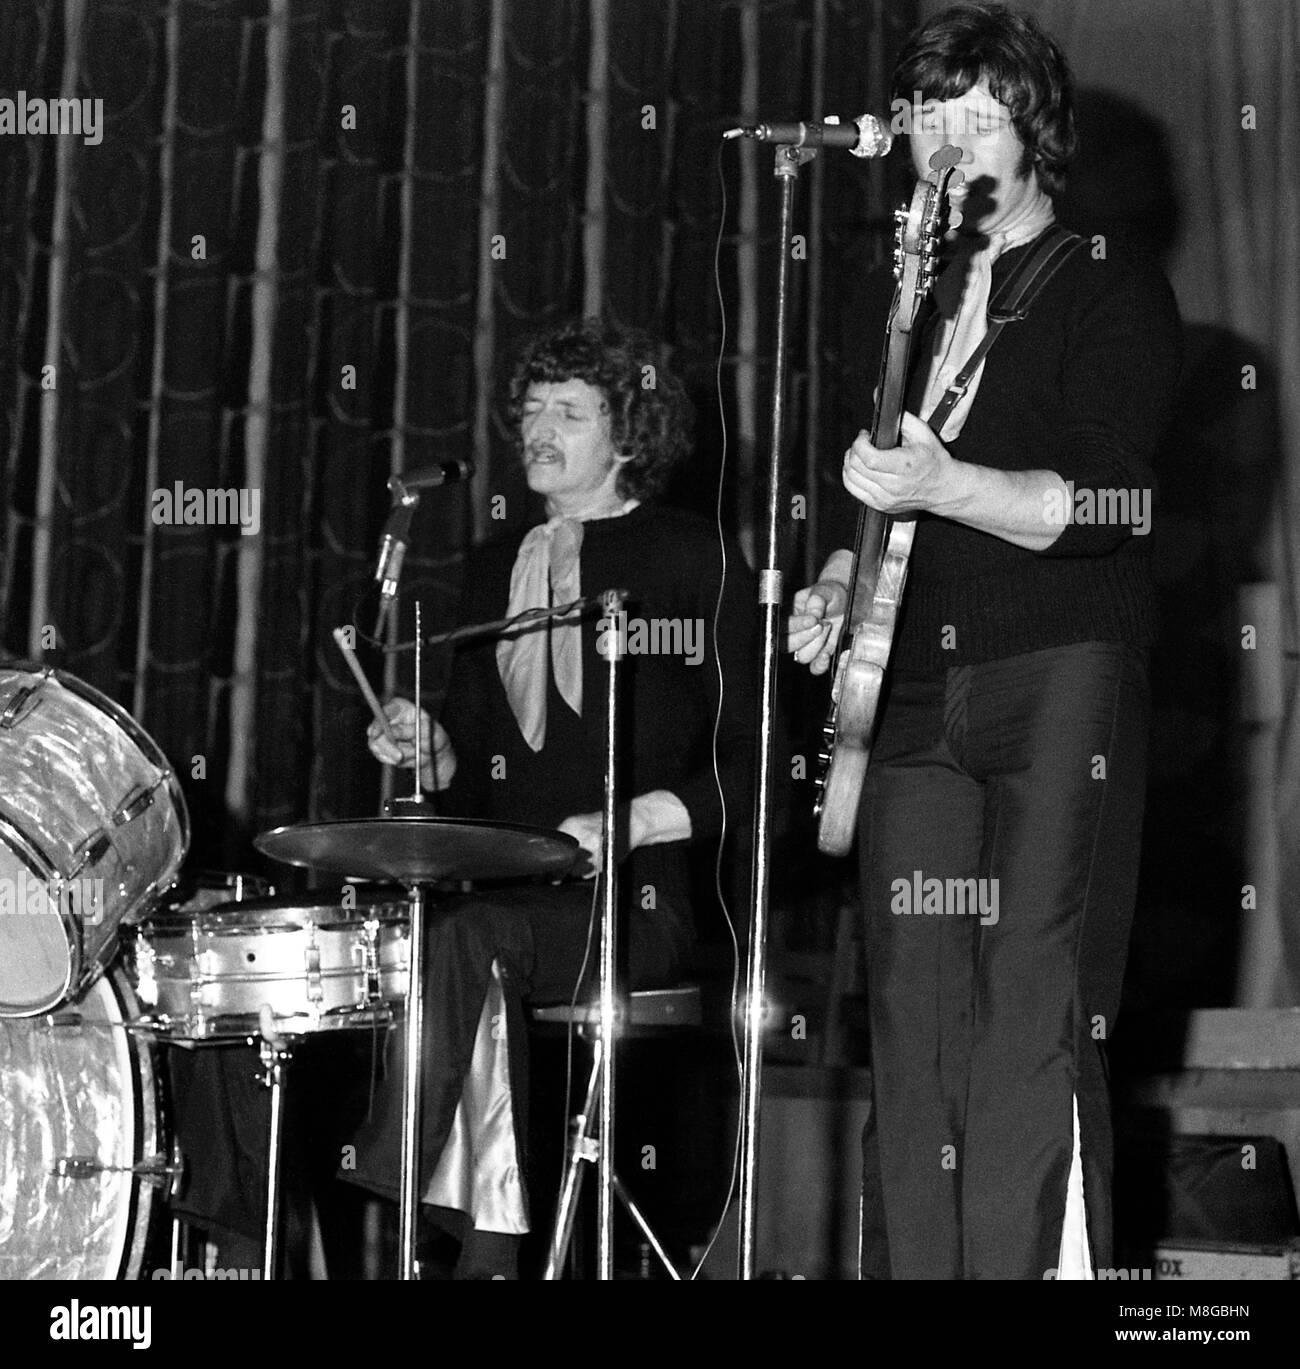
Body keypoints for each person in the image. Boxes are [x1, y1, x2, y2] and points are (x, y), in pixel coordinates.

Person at [787, 4, 1181, 1279]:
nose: (944, 142)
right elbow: (883, 500)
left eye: (979, 114)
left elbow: (1111, 503)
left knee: (1029, 1009)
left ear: (1036, 138)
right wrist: (841, 581)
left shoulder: (1107, 281)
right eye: (928, 116)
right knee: (909, 1014)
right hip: (911, 692)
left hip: (1056, 670)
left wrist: (945, 486)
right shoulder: (901, 300)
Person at [347, 318, 756, 1277]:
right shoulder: (499, 566)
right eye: (531, 409)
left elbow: (761, 767)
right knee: (437, 944)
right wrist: (429, 745)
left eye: (569, 410)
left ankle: (399, 1179)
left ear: (630, 435)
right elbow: (477, 757)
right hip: (513, 902)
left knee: (466, 946)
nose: (539, 426)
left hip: (635, 902)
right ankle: (484, 1254)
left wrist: (631, 824)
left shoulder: (696, 560)